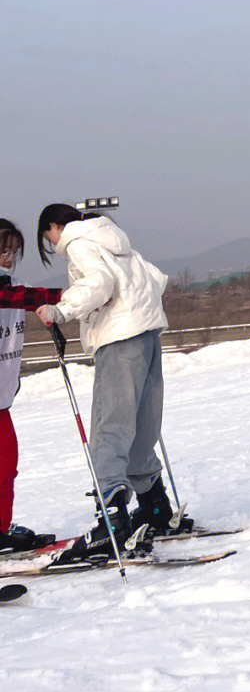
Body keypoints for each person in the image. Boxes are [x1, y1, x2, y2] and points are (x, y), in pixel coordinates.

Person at [35, 205, 175, 559]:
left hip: (119, 340)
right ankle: (155, 507)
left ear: (54, 226)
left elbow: (99, 283)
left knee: (109, 431)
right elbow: (156, 279)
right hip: (147, 336)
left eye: (48, 237)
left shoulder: (78, 242)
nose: (53, 245)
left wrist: (61, 310)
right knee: (143, 428)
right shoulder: (115, 239)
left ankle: (113, 523)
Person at [0, 219, 62, 553]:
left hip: (2, 401)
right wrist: (67, 295)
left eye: (13, 251)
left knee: (7, 468)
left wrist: (51, 308)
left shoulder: (14, 287)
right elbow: (15, 297)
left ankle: (0, 530)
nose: (8, 257)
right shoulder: (7, 291)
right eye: (3, 250)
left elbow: (23, 299)